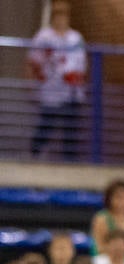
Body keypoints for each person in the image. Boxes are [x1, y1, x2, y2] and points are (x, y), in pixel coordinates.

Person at [27, 0, 85, 161]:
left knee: (70, 132)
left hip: (71, 93)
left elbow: (81, 64)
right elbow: (32, 62)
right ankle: (34, 158)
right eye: (57, 13)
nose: (60, 17)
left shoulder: (75, 38)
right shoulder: (43, 36)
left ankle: (69, 165)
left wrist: (75, 77)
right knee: (45, 126)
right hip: (50, 92)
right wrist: (32, 84)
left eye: (63, 13)